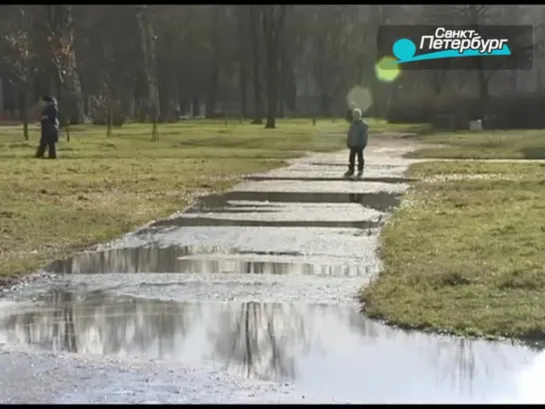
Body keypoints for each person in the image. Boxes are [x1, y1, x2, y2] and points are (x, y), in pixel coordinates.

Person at [343, 107, 368, 180]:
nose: (355, 117)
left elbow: (364, 136)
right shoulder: (352, 124)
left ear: (359, 116)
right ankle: (351, 170)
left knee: (360, 158)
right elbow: (349, 134)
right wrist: (348, 142)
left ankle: (360, 170)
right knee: (351, 158)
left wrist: (363, 144)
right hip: (353, 144)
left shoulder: (363, 125)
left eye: (356, 115)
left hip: (360, 144)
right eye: (354, 116)